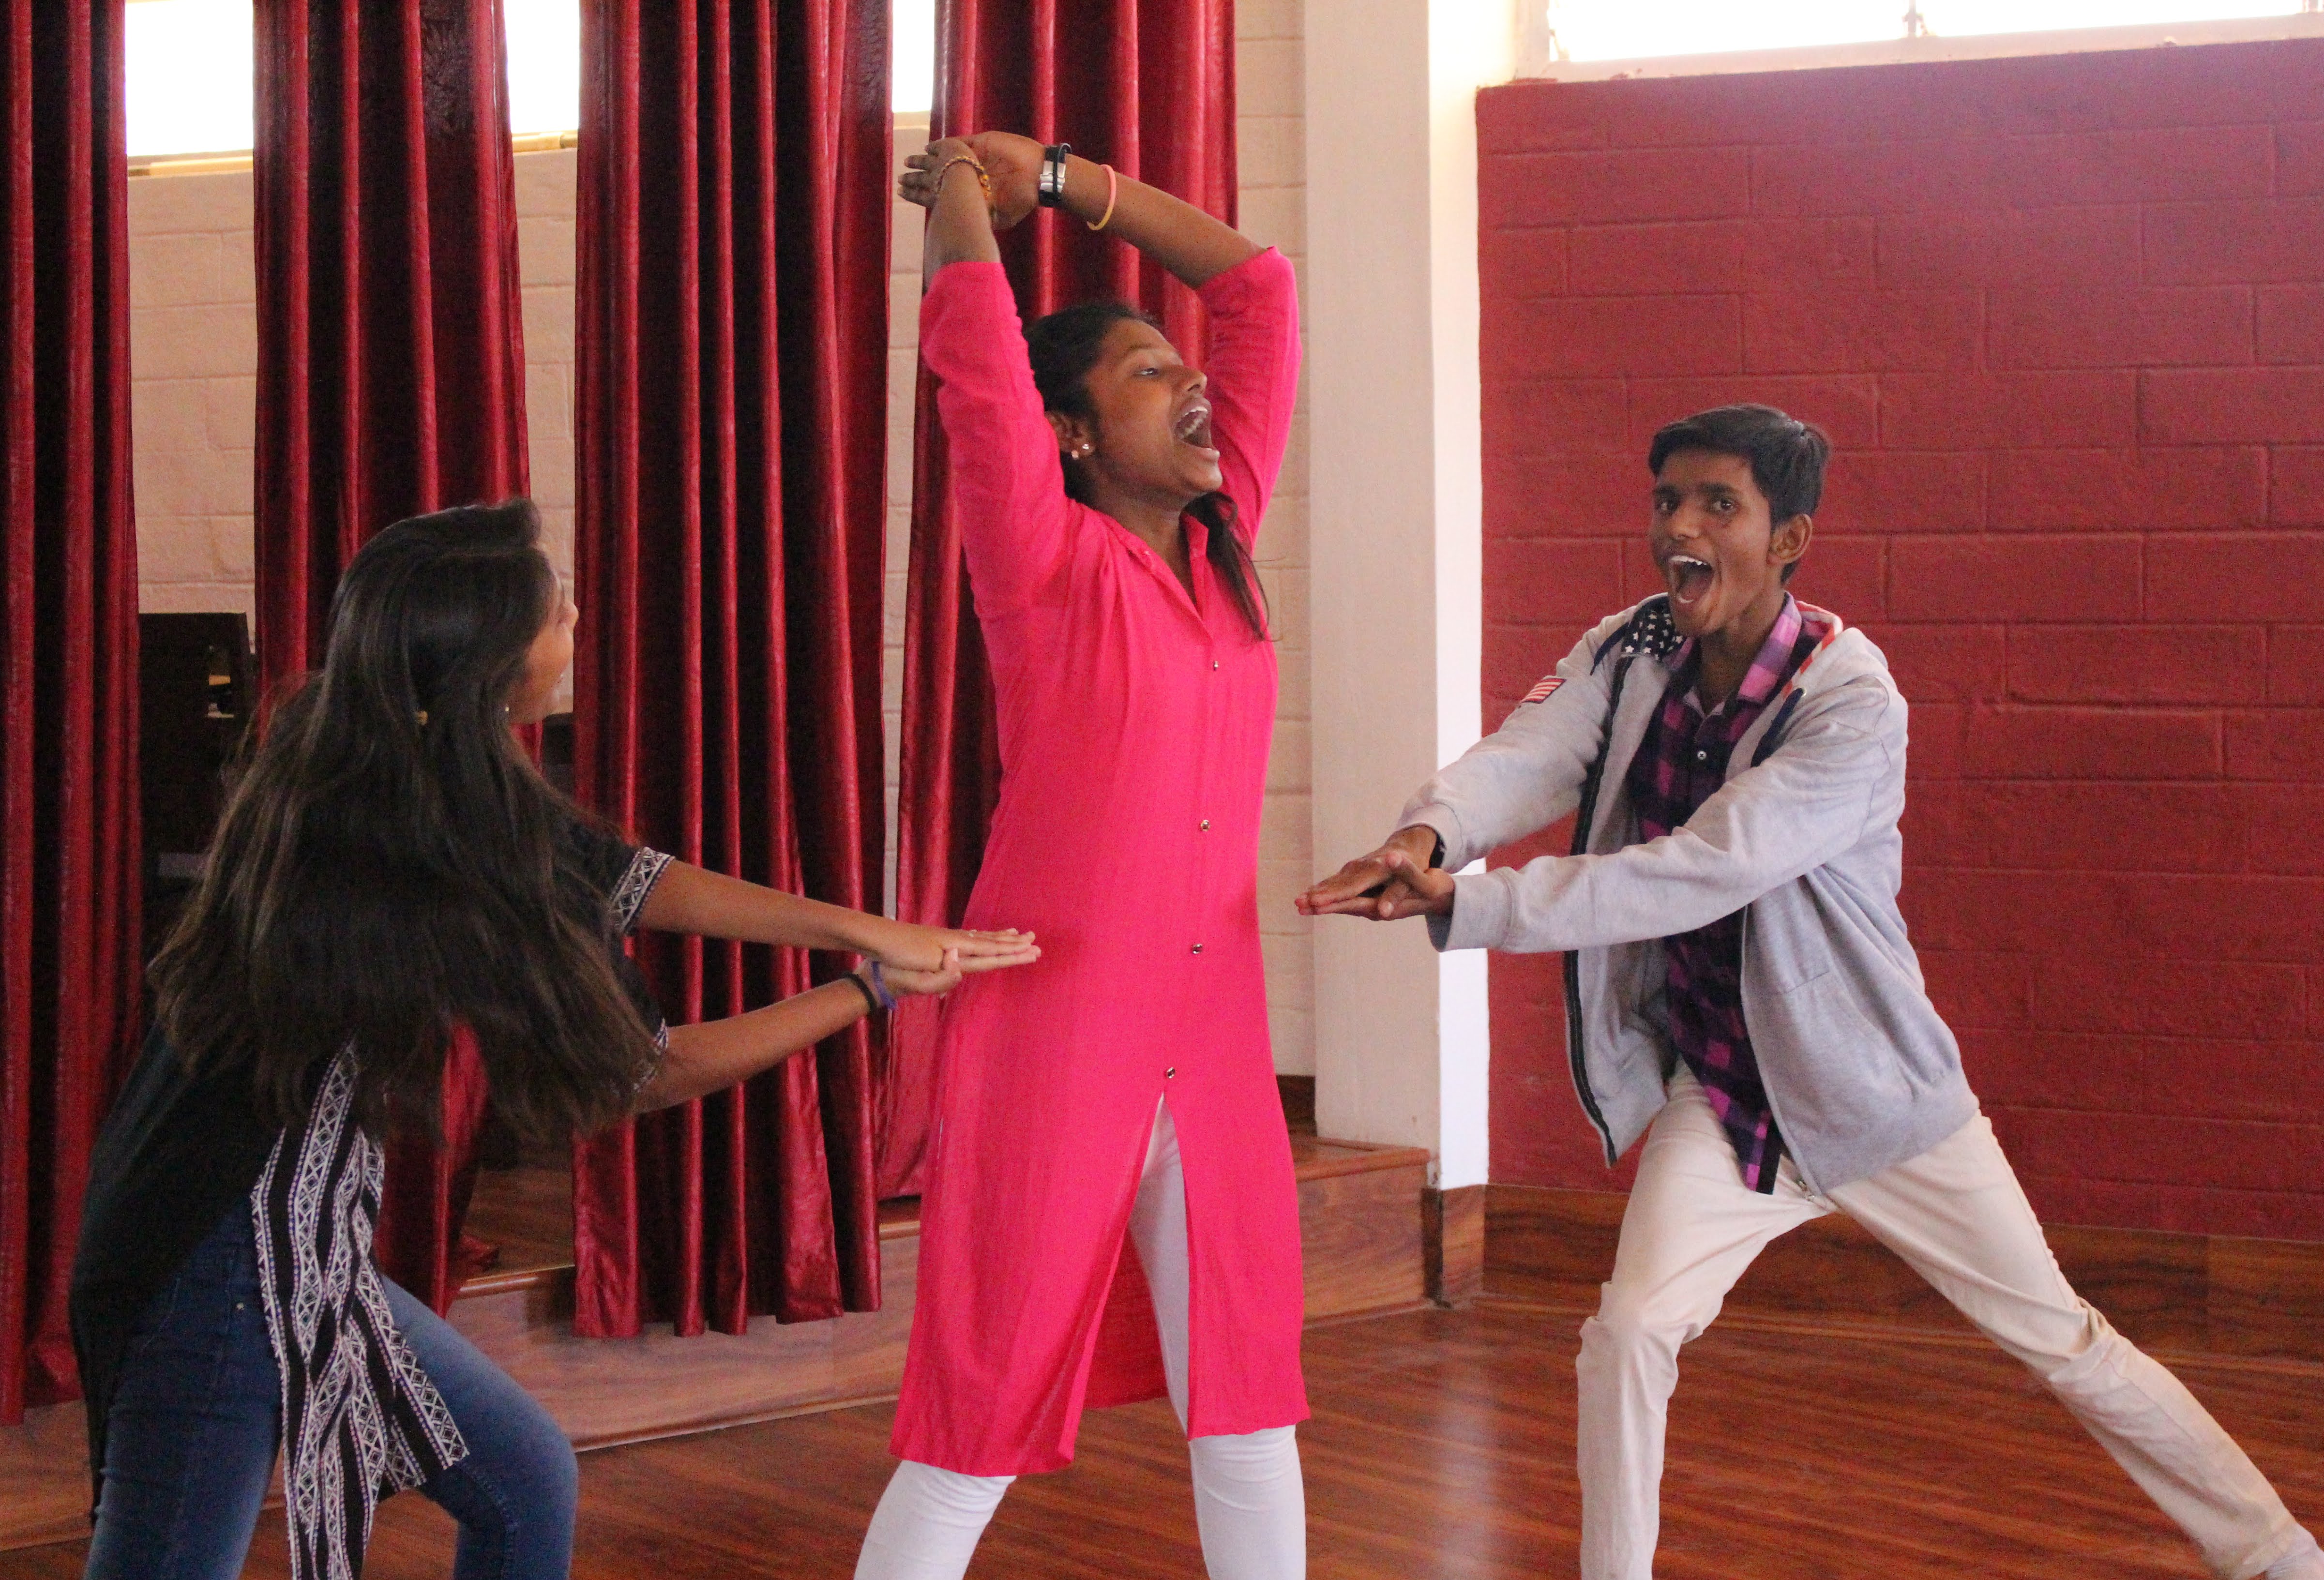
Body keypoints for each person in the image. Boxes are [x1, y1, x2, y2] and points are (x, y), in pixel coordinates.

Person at [1299, 405, 2324, 1580]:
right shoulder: (1631, 648)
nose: (1680, 529)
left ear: (1787, 540)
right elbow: (1528, 755)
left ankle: (2278, 1557)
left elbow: (1705, 867)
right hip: (1728, 1101)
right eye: (1666, 501)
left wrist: (1473, 907)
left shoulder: (1851, 700)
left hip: (1878, 1101)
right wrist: (1428, 837)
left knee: (2063, 1340)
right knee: (1628, 1330)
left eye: (1717, 506)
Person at [70, 500, 1038, 1580]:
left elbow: (632, 880)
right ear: (490, 662)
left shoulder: (364, 758)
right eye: (554, 609)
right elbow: (643, 1071)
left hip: (251, 1235)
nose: (574, 616)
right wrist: (866, 991)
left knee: (526, 1479)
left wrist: (863, 929)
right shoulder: (429, 835)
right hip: (224, 1268)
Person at [858, 134, 1306, 1580]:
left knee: (1249, 1401)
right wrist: (963, 194)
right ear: (1067, 433)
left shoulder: (1224, 540)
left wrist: (1064, 180)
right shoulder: (1041, 554)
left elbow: (1257, 289)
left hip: (1216, 1037)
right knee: (974, 1423)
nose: (1190, 386)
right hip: (1056, 1031)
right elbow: (977, 360)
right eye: (1146, 376)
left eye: (1184, 371)